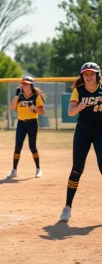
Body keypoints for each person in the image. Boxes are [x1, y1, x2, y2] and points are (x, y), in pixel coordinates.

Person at [60, 62, 102, 222]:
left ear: (97, 75)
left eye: (92, 74)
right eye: (86, 74)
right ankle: (67, 207)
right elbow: (70, 112)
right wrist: (79, 107)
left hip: (100, 131)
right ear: (82, 76)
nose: (89, 76)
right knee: (77, 169)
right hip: (83, 131)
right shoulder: (78, 91)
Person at [7, 76, 46, 179]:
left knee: (32, 147)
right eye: (23, 84)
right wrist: (16, 95)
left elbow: (42, 111)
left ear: (31, 85)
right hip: (21, 124)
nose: (24, 86)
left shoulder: (36, 97)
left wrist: (34, 107)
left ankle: (38, 169)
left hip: (32, 123)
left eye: (26, 84)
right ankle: (14, 170)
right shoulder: (19, 96)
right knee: (17, 147)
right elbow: (12, 107)